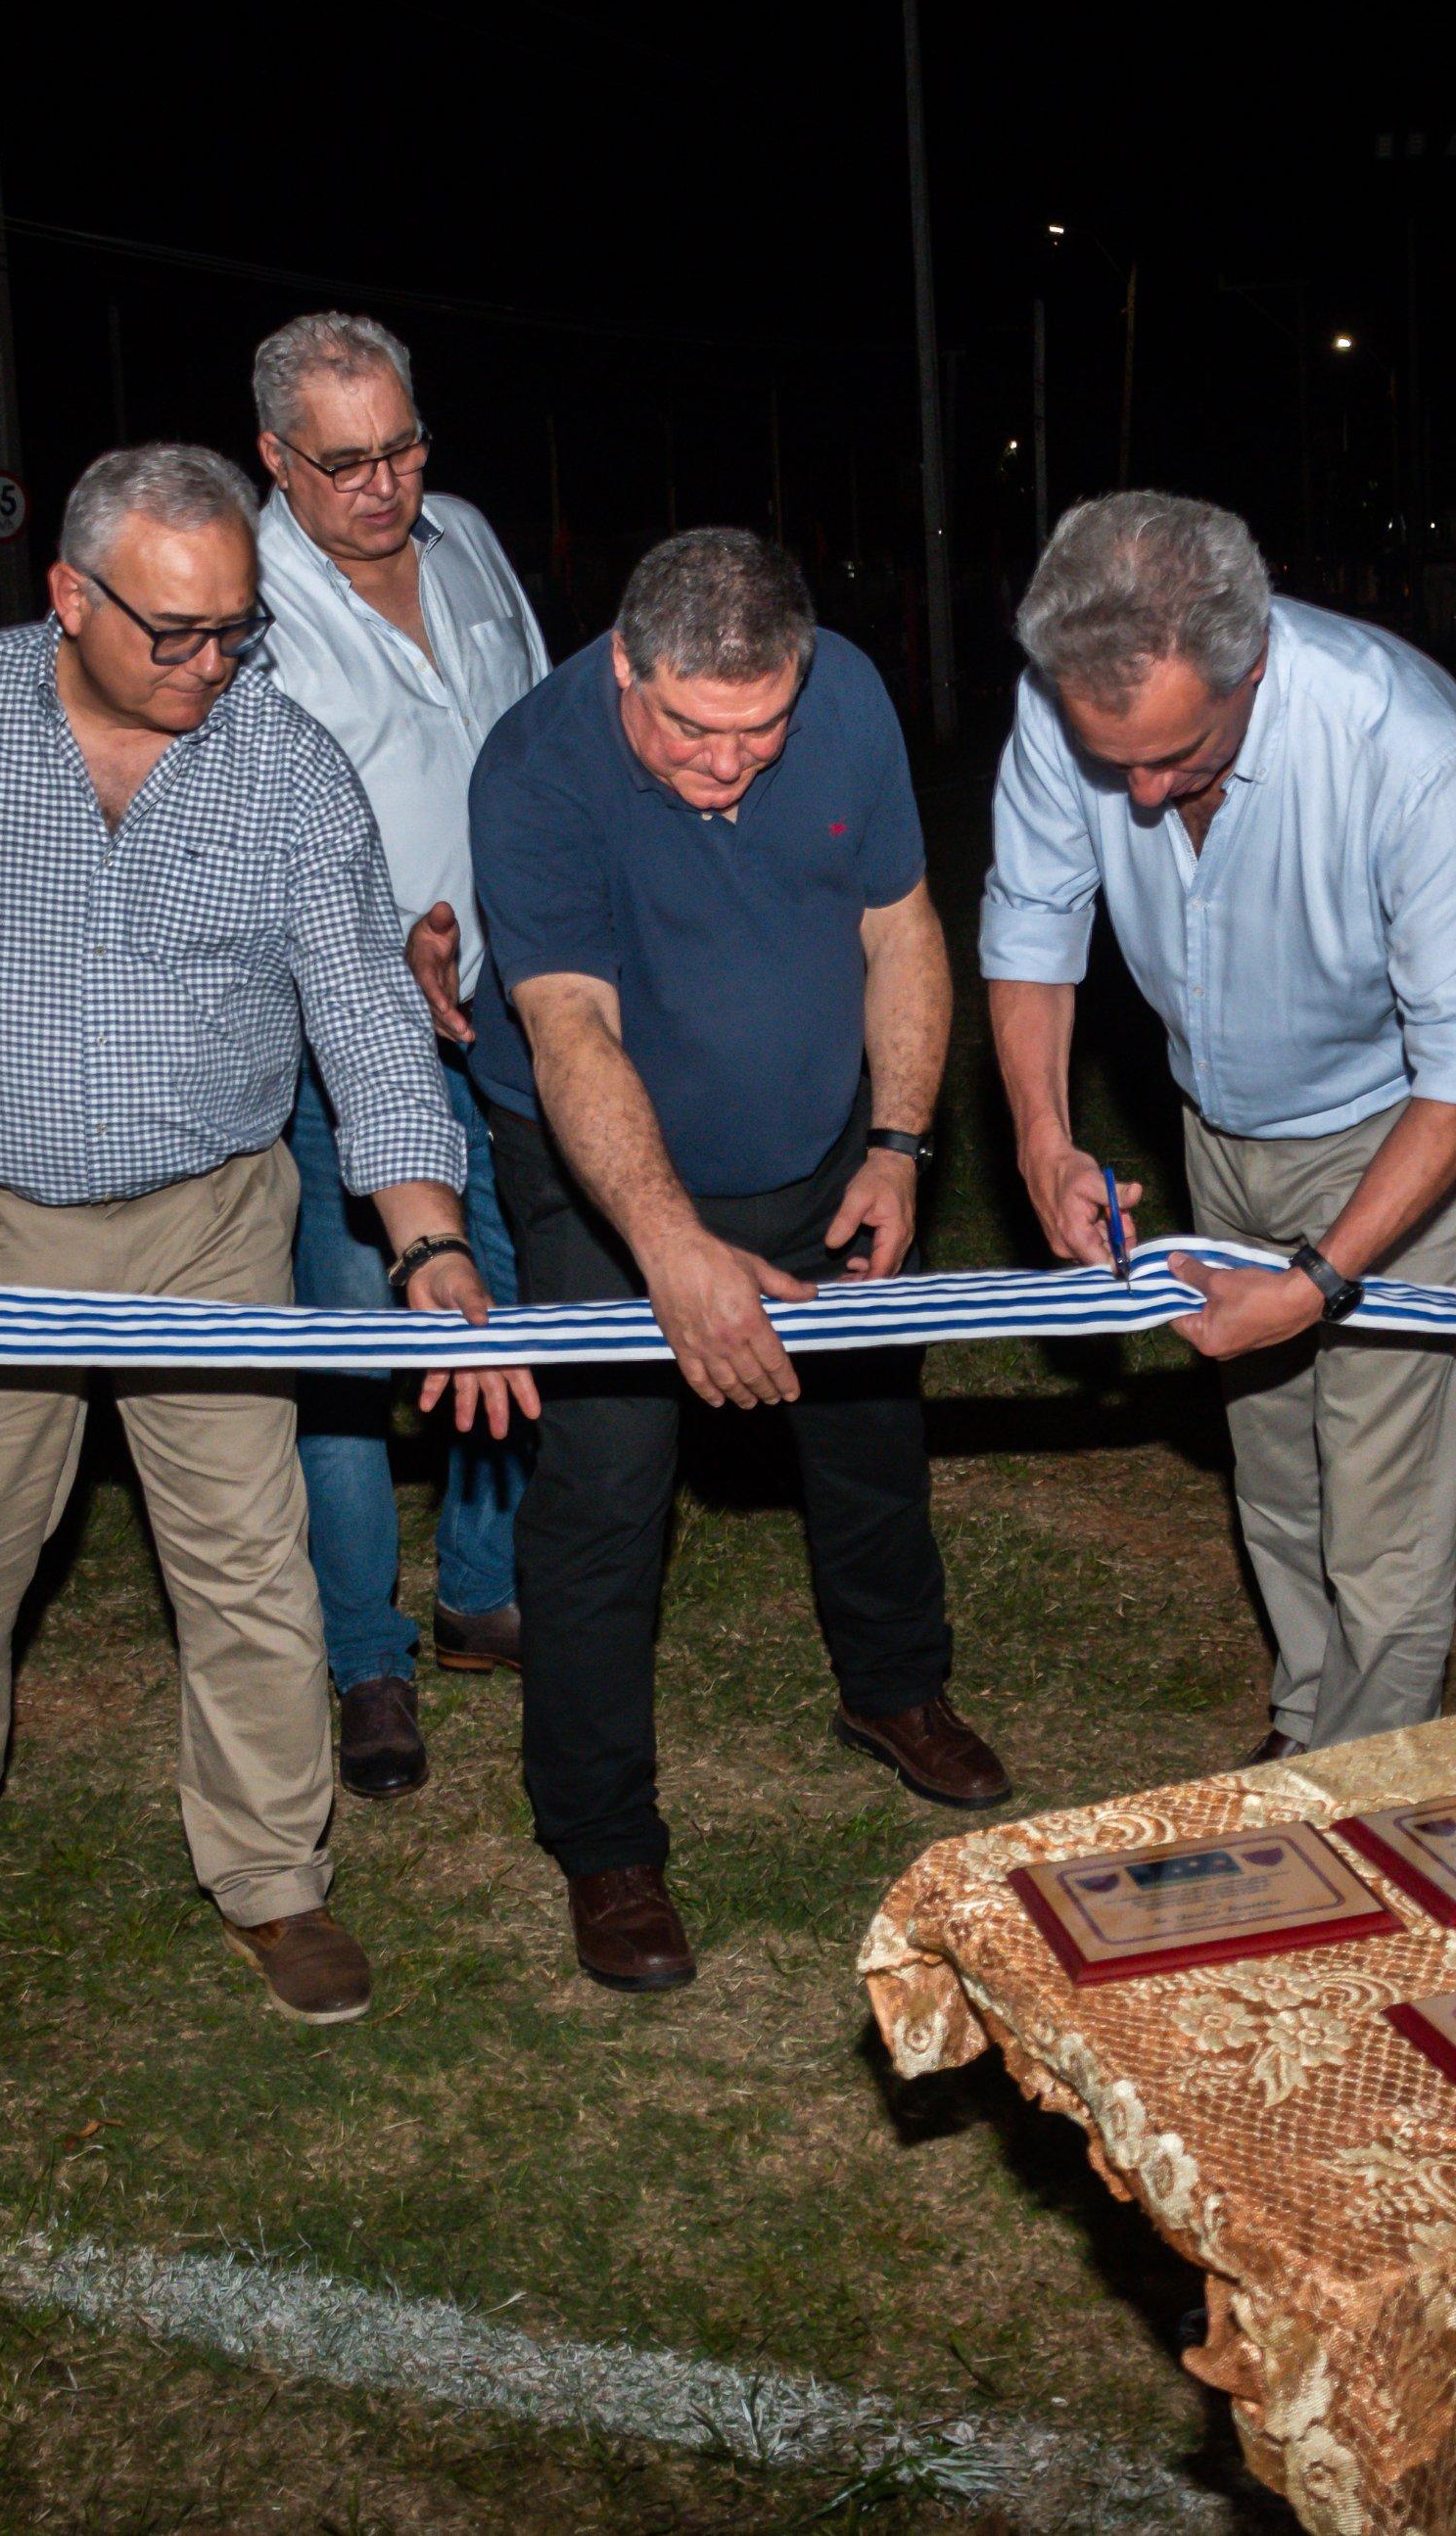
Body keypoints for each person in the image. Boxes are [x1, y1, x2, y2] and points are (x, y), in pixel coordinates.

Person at [0, 444, 519, 2024]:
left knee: (249, 1570)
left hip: (209, 1224)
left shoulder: (284, 762)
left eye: (234, 631)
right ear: (68, 596)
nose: (210, 667)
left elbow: (366, 1023)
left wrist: (426, 1240)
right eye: (171, 634)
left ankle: (272, 1874)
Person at [468, 528, 999, 1995]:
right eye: (695, 731)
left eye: (761, 726)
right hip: (600, 1175)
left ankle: (896, 1688)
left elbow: (900, 927)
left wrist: (899, 1141)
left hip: (819, 1145)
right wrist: (667, 1248)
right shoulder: (536, 764)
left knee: (869, 1423)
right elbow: (567, 1023)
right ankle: (602, 1835)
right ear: (629, 666)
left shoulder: (851, 704)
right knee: (606, 1484)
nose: (729, 766)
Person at [984, 495, 1456, 1755]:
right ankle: (1304, 1725)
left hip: (1404, 1140)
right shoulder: (1062, 701)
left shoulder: (1406, 740)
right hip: (1214, 1132)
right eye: (1109, 754)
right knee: (1276, 1471)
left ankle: (1367, 1791)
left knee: (1383, 1520)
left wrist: (1323, 1276)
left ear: (1255, 660)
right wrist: (1041, 1137)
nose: (1140, 788)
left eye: (1178, 753)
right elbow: (1031, 923)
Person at [247, 311, 549, 1798]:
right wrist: (381, 946)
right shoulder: (240, 605)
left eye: (404, 445)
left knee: (504, 1299)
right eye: (346, 459)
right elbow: (239, 839)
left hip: (506, 1016)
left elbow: (541, 740)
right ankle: (368, 1661)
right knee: (351, 1346)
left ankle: (482, 1588)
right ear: (276, 459)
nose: (385, 484)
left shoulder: (472, 538)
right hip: (333, 1034)